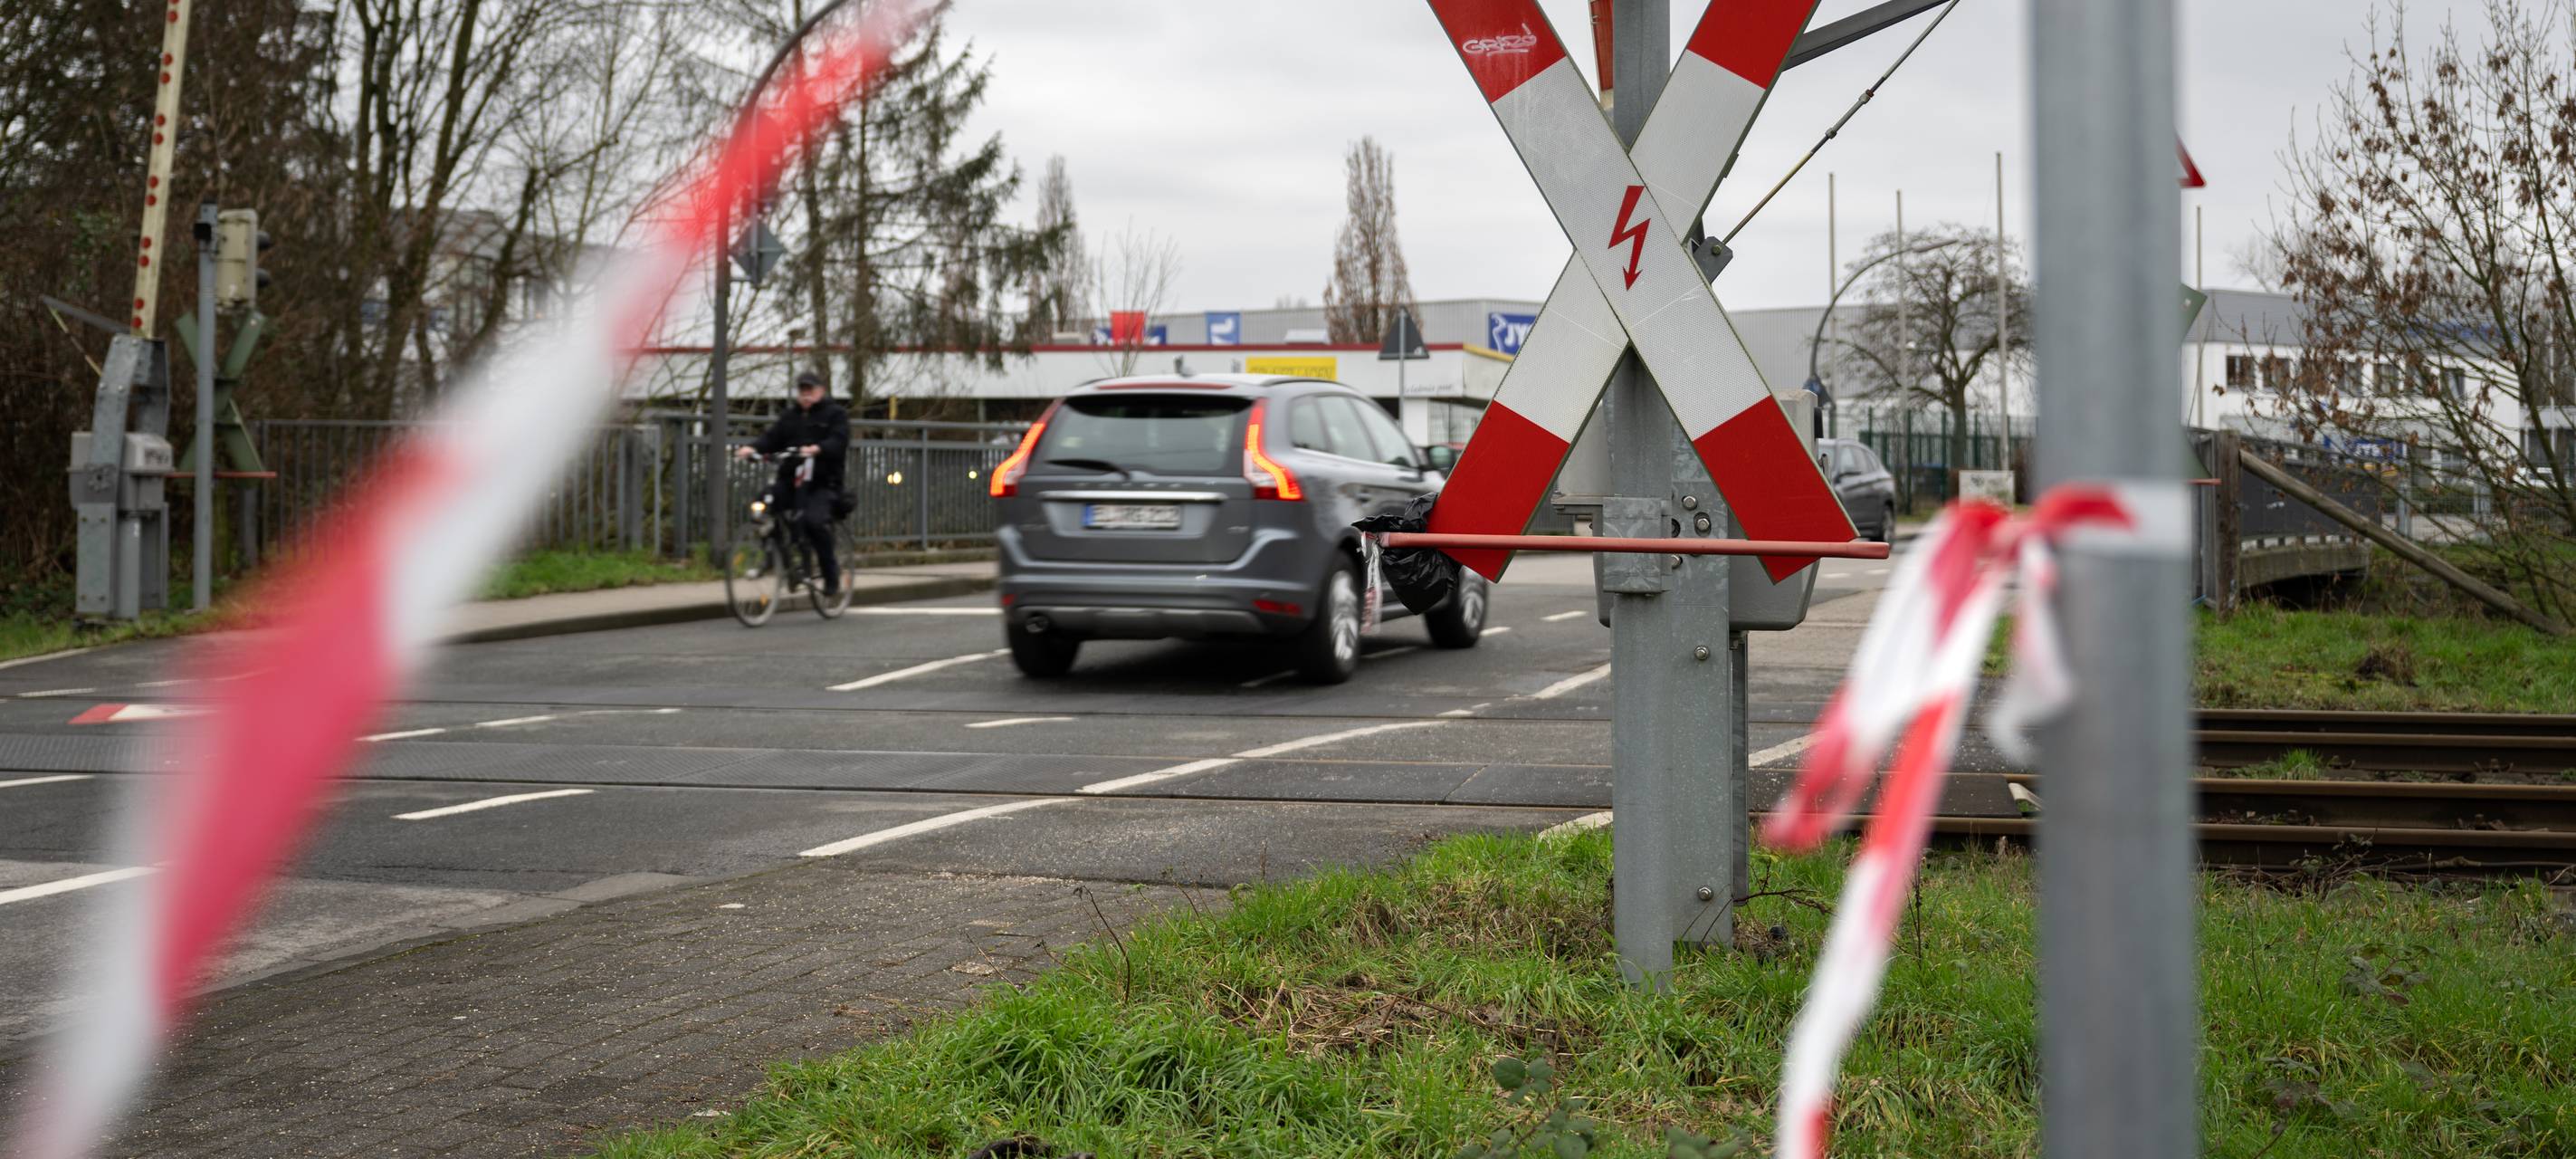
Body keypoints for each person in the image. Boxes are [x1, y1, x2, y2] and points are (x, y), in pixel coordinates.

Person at [736, 369, 850, 596]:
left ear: (821, 391)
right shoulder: (790, 417)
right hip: (791, 482)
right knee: (762, 505)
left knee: (813, 522)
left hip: (822, 483)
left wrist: (819, 449)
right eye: (802, 391)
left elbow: (839, 440)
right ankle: (776, 557)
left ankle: (830, 575)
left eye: (810, 390)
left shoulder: (835, 414)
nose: (806, 395)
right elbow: (771, 438)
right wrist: (753, 448)